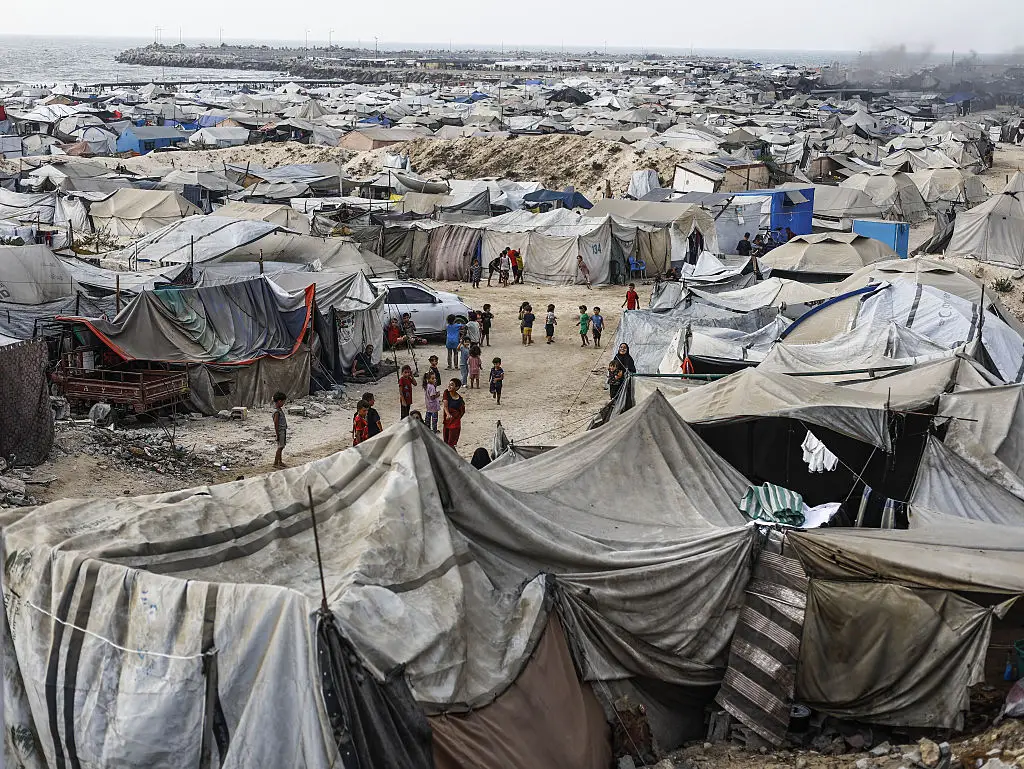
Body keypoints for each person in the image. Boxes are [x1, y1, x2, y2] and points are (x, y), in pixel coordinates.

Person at [442, 378, 466, 449]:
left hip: (455, 423)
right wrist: (448, 414)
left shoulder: (460, 400)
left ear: (457, 387)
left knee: (451, 444)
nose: (449, 386)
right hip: (447, 421)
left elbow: (462, 412)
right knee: (445, 442)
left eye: (452, 385)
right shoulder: (446, 393)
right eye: (449, 384)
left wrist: (456, 419)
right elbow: (445, 406)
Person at [272, 391, 288, 468]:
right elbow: (276, 424)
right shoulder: (277, 412)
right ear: (279, 401)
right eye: (283, 402)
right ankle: (275, 463)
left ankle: (280, 461)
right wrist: (277, 434)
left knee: (281, 446)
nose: (283, 403)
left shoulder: (279, 410)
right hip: (280, 431)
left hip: (282, 430)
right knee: (280, 447)